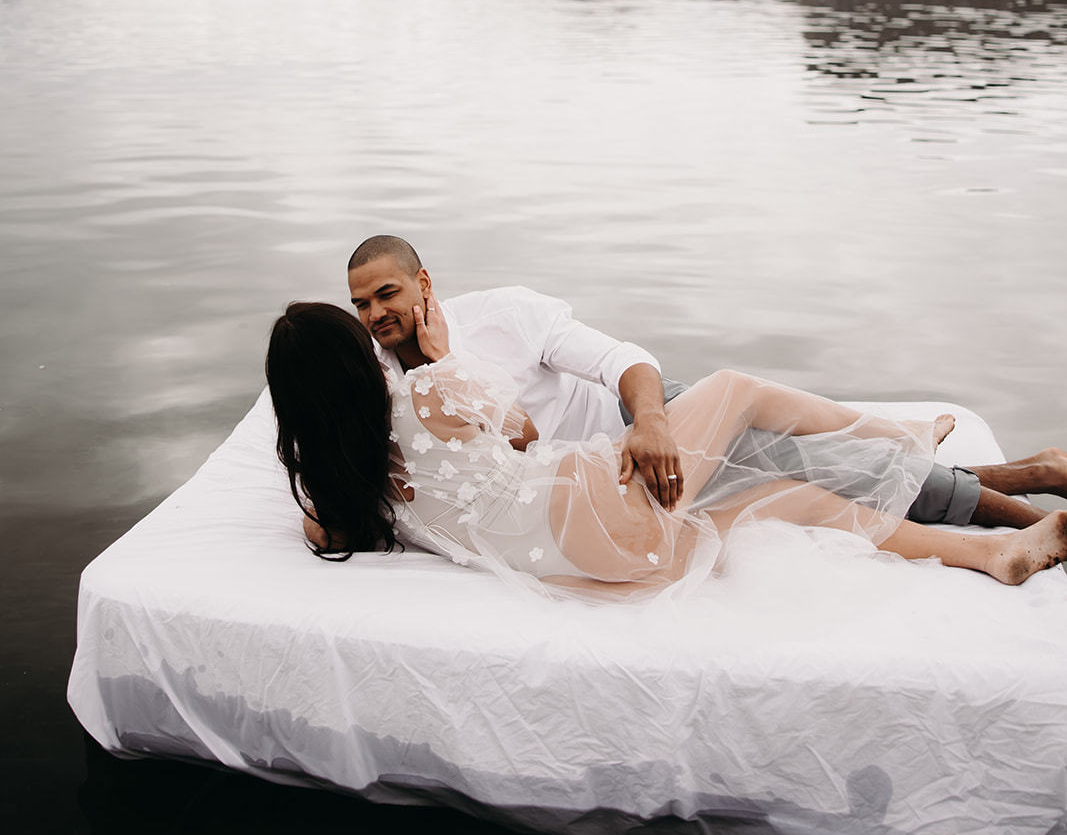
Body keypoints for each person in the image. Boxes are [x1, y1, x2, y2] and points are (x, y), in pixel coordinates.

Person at [265, 298, 1067, 596]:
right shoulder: (429, 388)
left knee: (765, 498)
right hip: (599, 508)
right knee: (732, 388)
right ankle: (898, 431)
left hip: (598, 569)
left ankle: (987, 556)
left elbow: (334, 530)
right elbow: (525, 435)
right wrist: (444, 360)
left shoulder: (331, 495)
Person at [342, 234, 1067, 537]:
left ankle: (1025, 516)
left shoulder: (503, 316)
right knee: (816, 478)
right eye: (363, 305)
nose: (377, 315)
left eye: (387, 294)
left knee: (812, 465)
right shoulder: (375, 381)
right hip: (598, 490)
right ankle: (1025, 473)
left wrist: (650, 422)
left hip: (650, 426)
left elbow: (622, 360)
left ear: (424, 283)